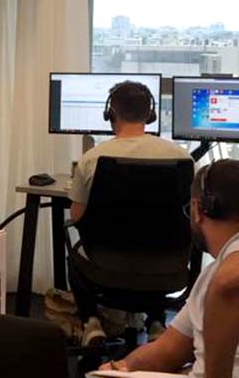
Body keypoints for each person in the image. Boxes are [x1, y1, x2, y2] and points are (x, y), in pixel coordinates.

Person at [69, 80, 192, 345]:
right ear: (150, 114)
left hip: (105, 265)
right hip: (168, 265)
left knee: (74, 252)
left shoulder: (92, 159)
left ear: (110, 113)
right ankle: (156, 322)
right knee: (152, 247)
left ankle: (91, 323)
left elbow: (77, 217)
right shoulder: (183, 159)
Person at [99, 160, 239, 378]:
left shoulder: (224, 277)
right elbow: (168, 349)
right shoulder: (211, 274)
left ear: (197, 209)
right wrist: (122, 367)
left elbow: (228, 283)